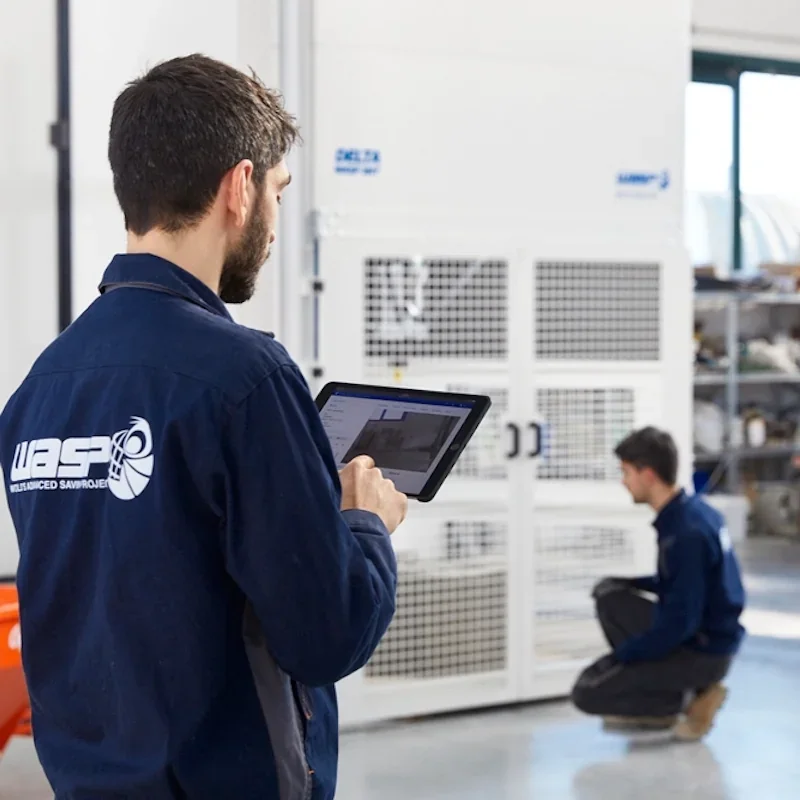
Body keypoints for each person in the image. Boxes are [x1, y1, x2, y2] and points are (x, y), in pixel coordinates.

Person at [0, 54, 407, 799]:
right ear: (240, 186)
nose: (276, 220)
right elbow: (327, 633)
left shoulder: (40, 387)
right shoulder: (247, 379)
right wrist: (364, 524)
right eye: (279, 192)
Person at [571, 426, 746, 741]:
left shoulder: (684, 534)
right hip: (710, 634)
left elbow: (680, 623)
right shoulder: (693, 514)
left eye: (626, 473)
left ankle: (684, 700)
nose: (623, 482)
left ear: (648, 474)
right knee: (609, 594)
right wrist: (630, 582)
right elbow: (684, 584)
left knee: (587, 691)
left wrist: (623, 656)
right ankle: (672, 691)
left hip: (704, 651)